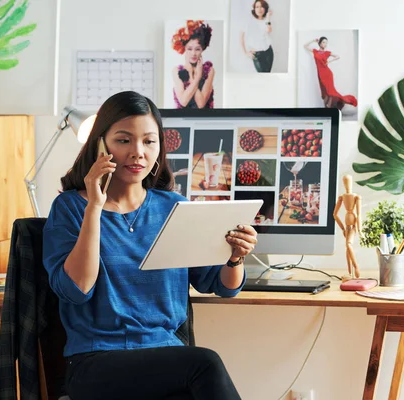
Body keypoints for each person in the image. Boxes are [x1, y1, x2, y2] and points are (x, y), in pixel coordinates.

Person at [42, 91, 256, 400]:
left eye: (149, 141)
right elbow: (77, 288)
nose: (138, 152)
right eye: (124, 140)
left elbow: (221, 286)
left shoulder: (173, 207)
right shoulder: (71, 208)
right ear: (100, 145)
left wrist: (235, 257)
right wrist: (94, 208)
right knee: (205, 363)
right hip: (96, 362)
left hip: (165, 356)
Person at [304, 36, 358, 110]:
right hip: (320, 74)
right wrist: (313, 40)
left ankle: (328, 107)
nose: (325, 44)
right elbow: (305, 46)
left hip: (327, 74)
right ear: (319, 43)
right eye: (323, 42)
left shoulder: (327, 53)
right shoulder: (315, 51)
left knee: (330, 92)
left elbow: (337, 56)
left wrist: (329, 61)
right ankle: (326, 108)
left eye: (326, 43)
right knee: (324, 92)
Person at [171, 20, 215, 108]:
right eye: (189, 49)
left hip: (204, 119)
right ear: (184, 49)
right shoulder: (177, 71)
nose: (193, 53)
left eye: (197, 49)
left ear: (203, 49)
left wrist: (196, 77)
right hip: (181, 119)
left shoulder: (209, 70)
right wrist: (194, 76)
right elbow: (183, 101)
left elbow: (201, 104)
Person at [333, 175, 361, 279]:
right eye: (345, 181)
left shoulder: (356, 197)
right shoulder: (341, 197)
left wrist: (359, 229)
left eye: (348, 181)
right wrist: (343, 228)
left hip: (353, 226)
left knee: (349, 245)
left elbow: (358, 214)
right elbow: (335, 215)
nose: (346, 184)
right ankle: (350, 273)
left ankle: (356, 267)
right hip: (347, 227)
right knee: (347, 250)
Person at [240, 0, 274, 73]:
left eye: (262, 6)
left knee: (267, 76)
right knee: (262, 76)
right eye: (257, 7)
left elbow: (269, 30)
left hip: (268, 52)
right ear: (254, 9)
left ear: (265, 8)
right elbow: (241, 37)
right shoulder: (249, 21)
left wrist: (268, 18)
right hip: (257, 54)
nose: (259, 9)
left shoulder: (266, 21)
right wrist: (246, 52)